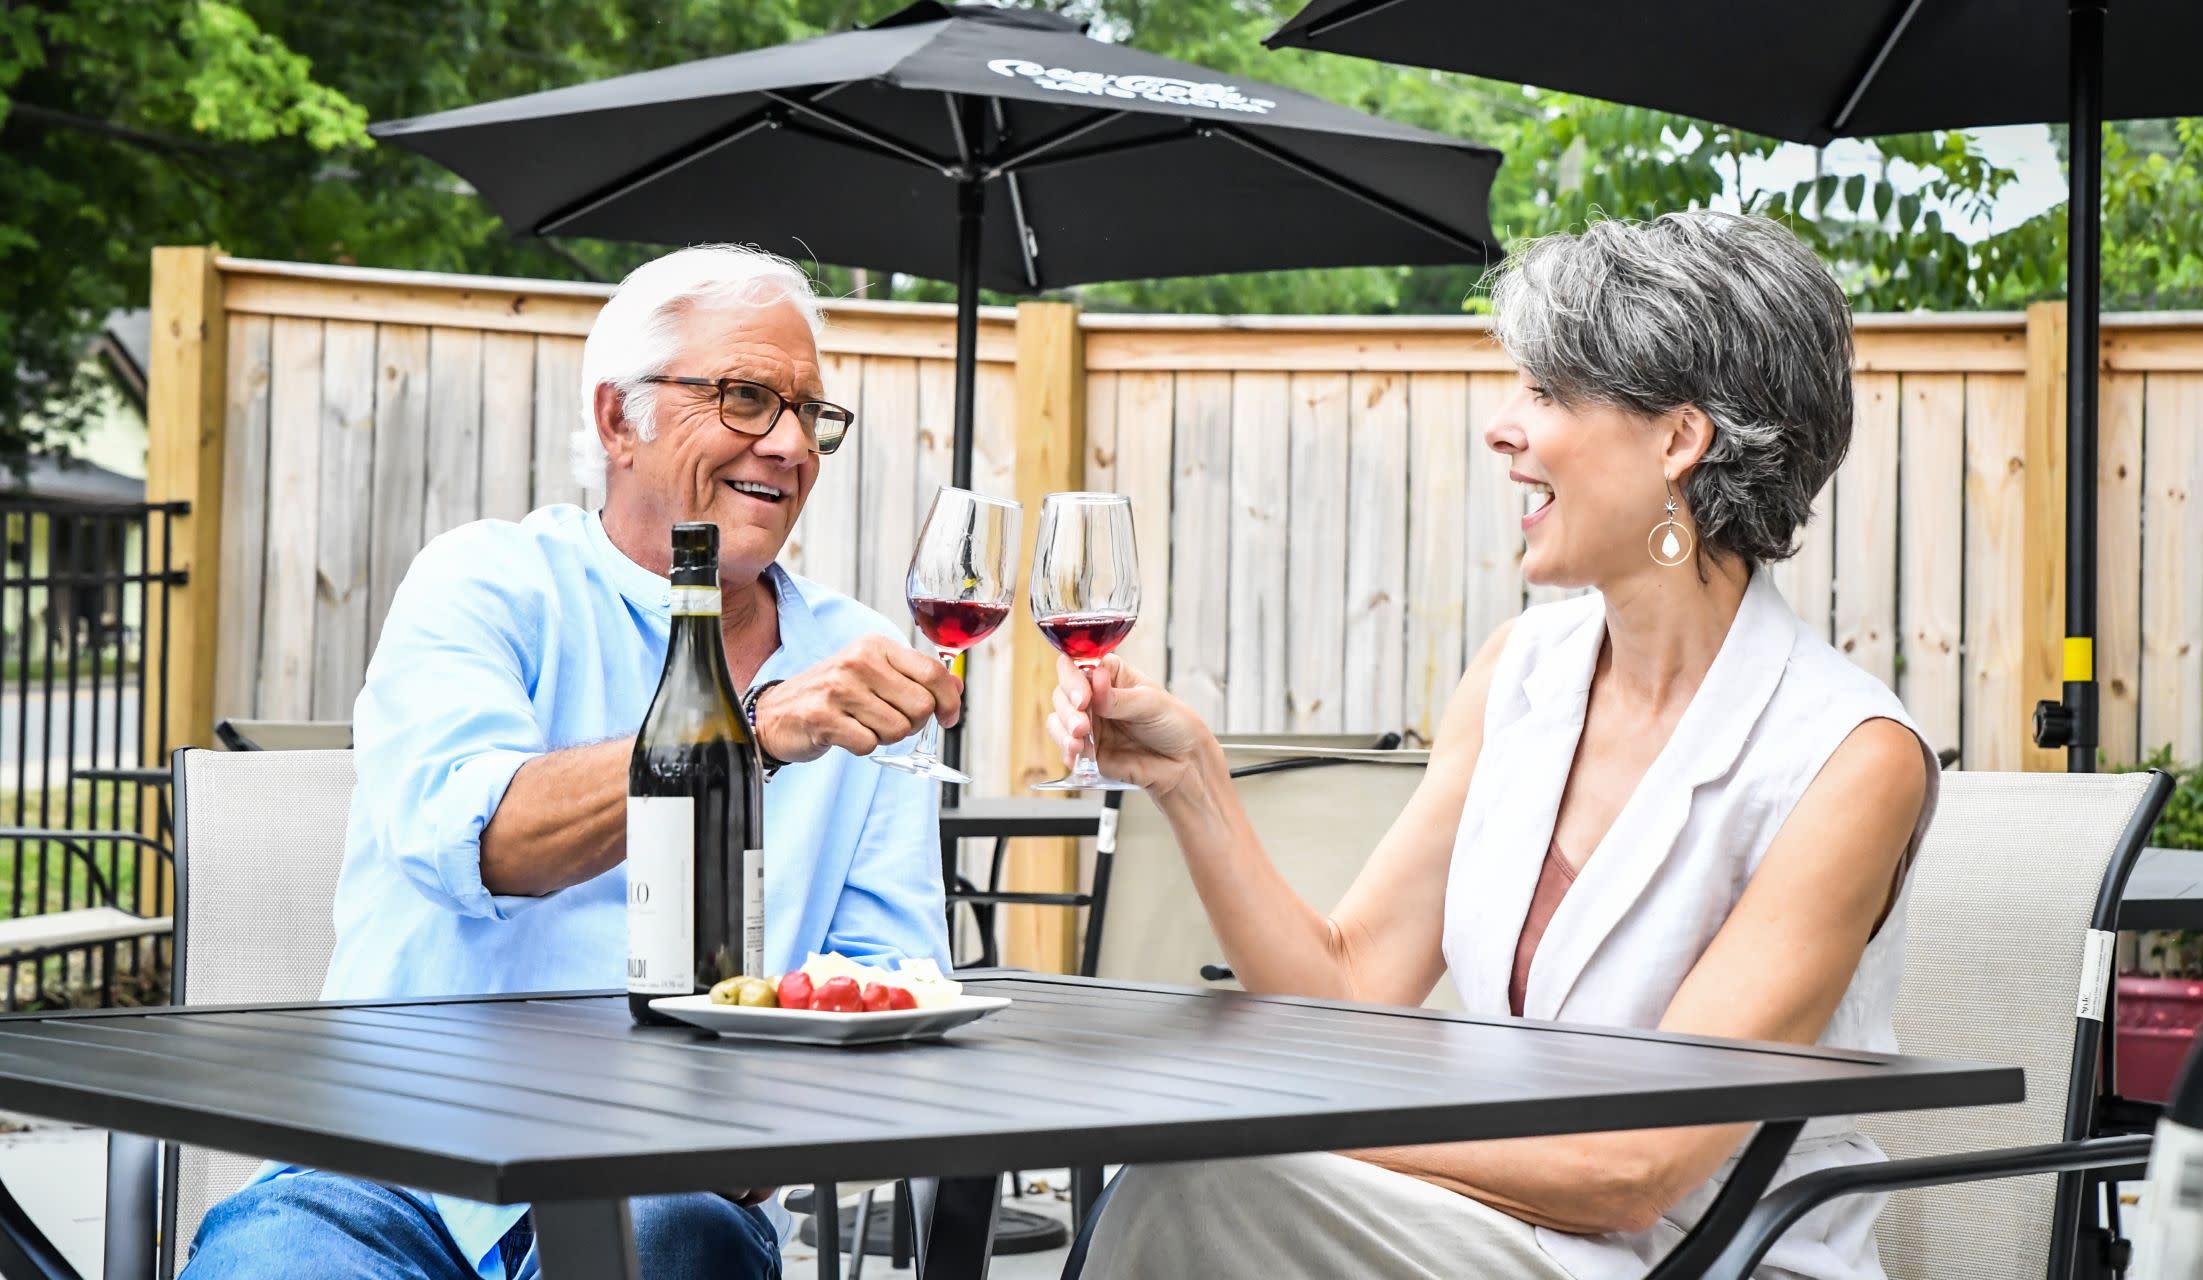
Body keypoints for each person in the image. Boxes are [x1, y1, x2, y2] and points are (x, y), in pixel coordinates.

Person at [1060, 212, 1938, 1280]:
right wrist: (1190, 775)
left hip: (1707, 1260)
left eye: (1549, 392)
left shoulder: (1848, 757)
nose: (1501, 426)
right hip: (1492, 1231)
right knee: (1194, 1181)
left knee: (1200, 1178)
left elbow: (1633, 1164)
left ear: (1679, 440)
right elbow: (1347, 991)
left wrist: (1266, 1111)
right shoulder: (1519, 671)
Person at [183, 245, 961, 1280]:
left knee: (680, 1235)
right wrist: (753, 727)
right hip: (395, 1172)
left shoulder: (856, 658)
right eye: (743, 396)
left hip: (671, 1183)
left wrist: (766, 1111)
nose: (787, 444)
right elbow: (485, 837)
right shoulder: (490, 584)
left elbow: (888, 979)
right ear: (617, 419)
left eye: (810, 412)